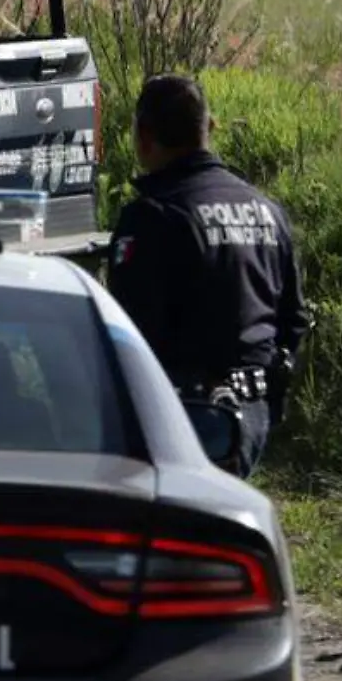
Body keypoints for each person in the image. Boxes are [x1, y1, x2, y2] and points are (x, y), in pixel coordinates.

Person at [106, 73, 309, 478]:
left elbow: (131, 336)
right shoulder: (265, 209)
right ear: (208, 128)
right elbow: (294, 321)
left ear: (144, 136)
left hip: (183, 418)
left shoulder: (153, 217)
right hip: (251, 417)